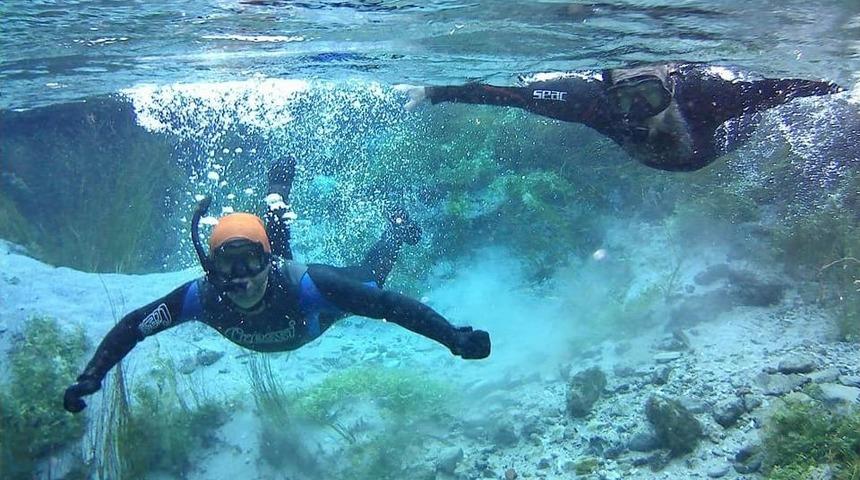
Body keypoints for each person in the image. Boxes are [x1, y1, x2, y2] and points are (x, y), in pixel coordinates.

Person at [63, 157, 491, 413]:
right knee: (280, 262)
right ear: (211, 269)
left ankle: (396, 230)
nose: (242, 278)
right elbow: (135, 326)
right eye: (229, 267)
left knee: (371, 280)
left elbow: (390, 306)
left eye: (251, 262)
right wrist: (93, 375)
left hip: (307, 299)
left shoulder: (311, 286)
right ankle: (277, 197)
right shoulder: (201, 296)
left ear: (265, 260)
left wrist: (451, 337)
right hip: (290, 294)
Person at [398, 62, 844, 171]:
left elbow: (789, 86)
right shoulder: (587, 102)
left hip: (718, 143)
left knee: (764, 109)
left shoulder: (709, 96)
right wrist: (435, 91)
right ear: (608, 91)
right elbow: (507, 94)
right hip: (684, 150)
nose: (640, 117)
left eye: (650, 95)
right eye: (626, 100)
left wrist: (844, 84)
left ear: (671, 80)